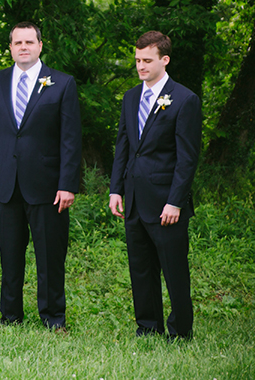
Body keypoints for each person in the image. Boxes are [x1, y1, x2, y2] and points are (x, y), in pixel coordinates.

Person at [0, 21, 81, 331]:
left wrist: (67, 184)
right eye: (17, 42)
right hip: (4, 184)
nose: (23, 47)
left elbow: (71, 140)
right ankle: (10, 317)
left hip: (48, 186)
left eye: (29, 42)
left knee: (50, 256)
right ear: (10, 47)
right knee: (10, 256)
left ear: (40, 46)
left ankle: (53, 318)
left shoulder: (61, 83)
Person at [109, 31, 202, 341]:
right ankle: (148, 326)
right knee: (141, 268)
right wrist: (115, 189)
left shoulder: (185, 99)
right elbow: (123, 145)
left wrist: (176, 201)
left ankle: (180, 331)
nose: (140, 66)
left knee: (174, 270)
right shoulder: (130, 97)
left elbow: (187, 158)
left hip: (166, 202)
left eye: (147, 60)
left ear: (165, 59)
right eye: (137, 60)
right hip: (134, 198)